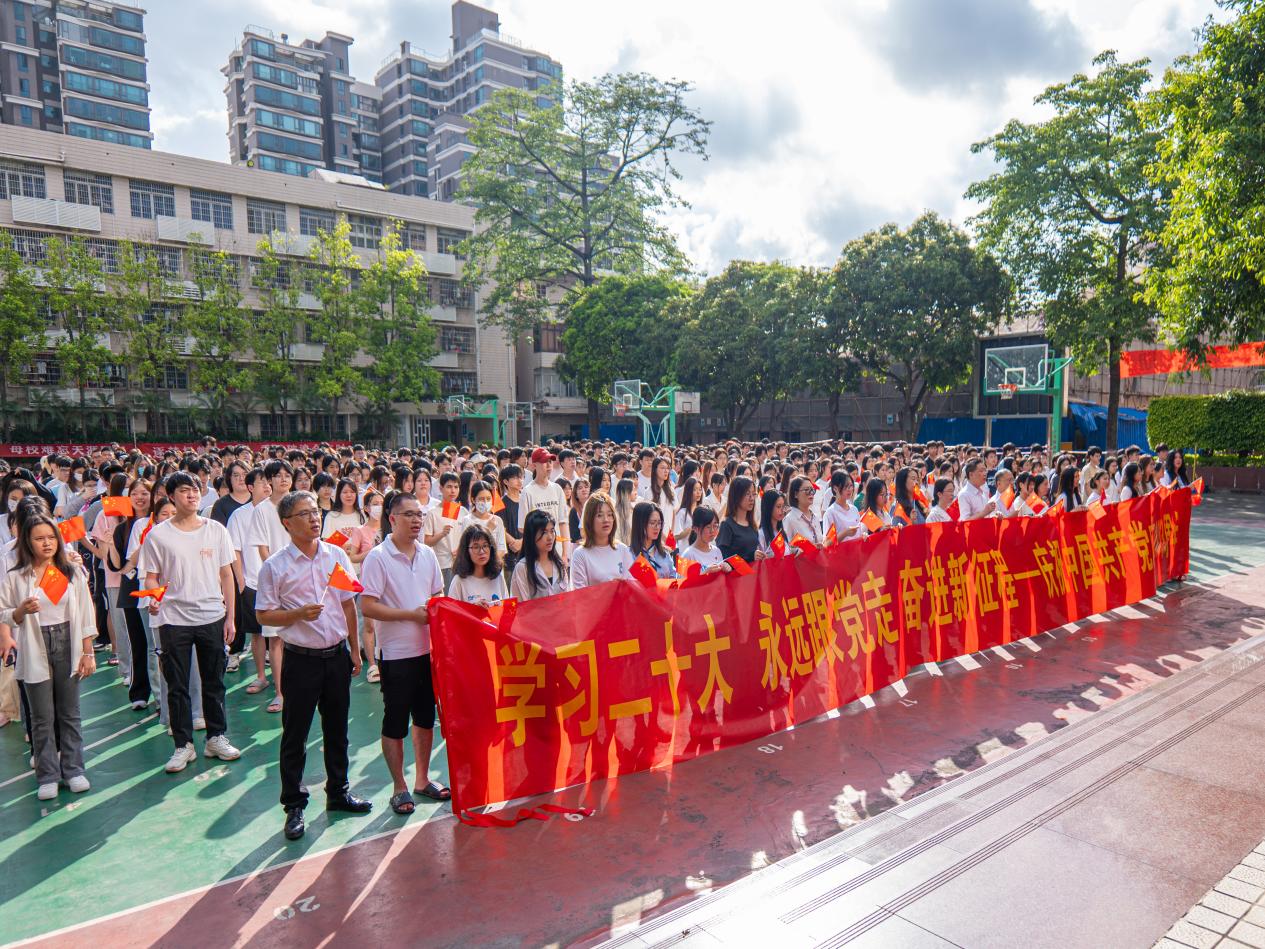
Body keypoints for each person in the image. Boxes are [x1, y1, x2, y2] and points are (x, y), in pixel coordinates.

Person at [256, 490, 370, 840]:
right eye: (304, 514)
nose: (314, 518)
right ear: (287, 523)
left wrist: (354, 650)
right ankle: (294, 804)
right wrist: (297, 614)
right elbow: (263, 614)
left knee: (337, 729)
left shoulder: (335, 554)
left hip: (335, 656)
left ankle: (338, 792)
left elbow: (348, 604)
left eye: (315, 512)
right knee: (296, 734)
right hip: (300, 660)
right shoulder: (275, 566)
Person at [139, 472, 240, 775]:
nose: (192, 495)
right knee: (177, 685)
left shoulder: (215, 530)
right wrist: (155, 598)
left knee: (214, 681)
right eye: (184, 491)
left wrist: (230, 617)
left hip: (211, 615)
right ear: (171, 496)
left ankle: (216, 737)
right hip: (173, 619)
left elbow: (226, 575)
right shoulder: (158, 535)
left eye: (195, 489)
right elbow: (151, 578)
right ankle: (183, 745)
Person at [360, 491, 448, 818]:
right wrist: (410, 615)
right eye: (409, 514)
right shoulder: (378, 557)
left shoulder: (427, 554)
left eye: (419, 515)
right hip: (396, 654)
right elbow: (368, 606)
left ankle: (422, 779)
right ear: (392, 518)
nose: (416, 520)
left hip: (427, 651)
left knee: (425, 718)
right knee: (395, 721)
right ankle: (399, 787)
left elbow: (437, 594)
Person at [0, 513, 96, 800]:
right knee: (42, 717)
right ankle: (48, 775)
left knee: (70, 712)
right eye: (39, 538)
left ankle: (74, 770)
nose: (47, 543)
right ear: (27, 542)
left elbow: (86, 613)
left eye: (51, 537)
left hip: (68, 641)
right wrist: (20, 611)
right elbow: (4, 611)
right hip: (34, 644)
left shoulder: (71, 571)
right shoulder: (16, 575)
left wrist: (88, 652)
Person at [248, 460, 293, 714]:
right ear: (269, 480)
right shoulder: (262, 510)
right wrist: (278, 573)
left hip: (300, 579)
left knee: (301, 637)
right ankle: (280, 692)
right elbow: (263, 548)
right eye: (278, 475)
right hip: (274, 580)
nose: (283, 479)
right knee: (275, 639)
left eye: (287, 475)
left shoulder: (300, 503)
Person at [227, 468, 271, 698]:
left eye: (269, 481)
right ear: (251, 487)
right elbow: (234, 549)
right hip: (253, 582)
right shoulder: (239, 515)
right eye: (263, 482)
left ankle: (283, 678)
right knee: (257, 633)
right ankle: (261, 676)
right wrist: (241, 581)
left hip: (279, 582)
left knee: (280, 634)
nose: (268, 486)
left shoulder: (278, 510)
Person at [570, 492, 633, 590]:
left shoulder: (623, 549)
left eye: (610, 515)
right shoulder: (580, 554)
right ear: (589, 519)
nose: (606, 520)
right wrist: (607, 589)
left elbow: (633, 584)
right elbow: (580, 594)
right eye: (599, 515)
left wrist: (623, 586)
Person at [518, 449, 569, 561]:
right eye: (544, 462)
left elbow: (563, 522)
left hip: (557, 551)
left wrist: (565, 553)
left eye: (550, 461)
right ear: (534, 465)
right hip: (537, 554)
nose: (549, 465)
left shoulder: (557, 489)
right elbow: (523, 527)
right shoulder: (527, 492)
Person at [509, 510, 568, 600]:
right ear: (531, 535)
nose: (550, 537)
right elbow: (521, 604)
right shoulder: (523, 568)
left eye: (552, 531)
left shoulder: (559, 563)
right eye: (544, 532)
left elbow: (567, 597)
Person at [717, 476, 765, 564]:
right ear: (736, 496)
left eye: (753, 494)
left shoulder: (752, 524)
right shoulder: (727, 525)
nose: (752, 498)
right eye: (747, 494)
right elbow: (723, 559)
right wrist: (749, 557)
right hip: (736, 573)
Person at [629, 501, 678, 579]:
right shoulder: (629, 555)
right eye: (652, 523)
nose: (657, 527)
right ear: (640, 524)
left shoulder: (664, 553)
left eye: (659, 523)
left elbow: (674, 576)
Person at [680, 507, 731, 575]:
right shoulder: (687, 555)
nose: (712, 530)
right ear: (696, 529)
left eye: (715, 526)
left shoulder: (717, 551)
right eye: (708, 527)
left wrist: (726, 568)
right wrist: (704, 573)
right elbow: (682, 580)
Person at [822, 471, 862, 542]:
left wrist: (863, 536)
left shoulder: (854, 509)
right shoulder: (830, 513)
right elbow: (827, 543)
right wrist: (845, 533)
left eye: (851, 486)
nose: (849, 489)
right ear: (835, 488)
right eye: (845, 486)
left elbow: (859, 534)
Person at [782, 477, 823, 544]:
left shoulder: (814, 517)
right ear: (796, 494)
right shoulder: (790, 519)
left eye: (812, 490)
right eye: (806, 490)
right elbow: (785, 547)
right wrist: (807, 548)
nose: (811, 493)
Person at [612, 477, 637, 547]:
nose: (636, 493)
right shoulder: (615, 514)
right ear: (627, 493)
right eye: (633, 490)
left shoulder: (635, 511)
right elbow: (616, 539)